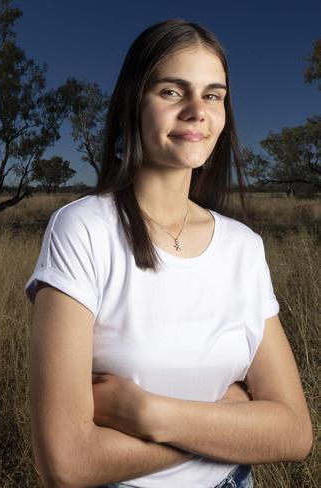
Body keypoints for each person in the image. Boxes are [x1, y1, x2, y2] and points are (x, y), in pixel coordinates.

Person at [24, 19, 313, 488]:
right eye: (172, 92)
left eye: (213, 95)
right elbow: (68, 461)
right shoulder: (84, 230)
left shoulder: (244, 247)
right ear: (131, 105)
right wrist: (233, 419)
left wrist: (151, 413)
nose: (198, 111)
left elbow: (295, 433)